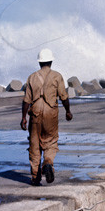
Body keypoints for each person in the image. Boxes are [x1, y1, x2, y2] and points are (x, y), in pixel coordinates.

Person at [20, 47, 72, 186]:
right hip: (51, 112)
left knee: (34, 144)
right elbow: (63, 96)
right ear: (51, 62)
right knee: (50, 141)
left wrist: (24, 118)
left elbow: (26, 100)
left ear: (39, 63)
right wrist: (68, 111)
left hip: (35, 112)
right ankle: (48, 162)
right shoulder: (57, 76)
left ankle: (35, 176)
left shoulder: (32, 77)